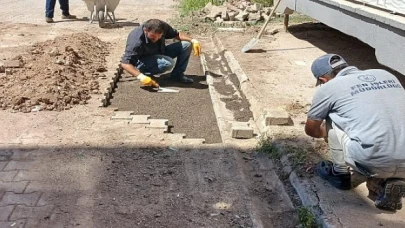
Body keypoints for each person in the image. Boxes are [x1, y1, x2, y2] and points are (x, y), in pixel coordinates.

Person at [305, 53, 405, 211]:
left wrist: (326, 133)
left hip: (372, 159)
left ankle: (340, 174)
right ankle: (385, 181)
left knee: (332, 115)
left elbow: (311, 129)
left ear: (323, 80)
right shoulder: (385, 74)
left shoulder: (329, 88)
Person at [120, 19, 202, 88]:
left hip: (160, 51)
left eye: (159, 37)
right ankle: (145, 73)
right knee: (168, 63)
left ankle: (177, 75)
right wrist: (141, 77)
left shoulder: (161, 26)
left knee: (186, 45)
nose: (156, 39)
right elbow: (125, 63)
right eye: (153, 37)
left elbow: (177, 34)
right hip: (143, 61)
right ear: (146, 31)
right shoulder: (136, 42)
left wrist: (193, 40)